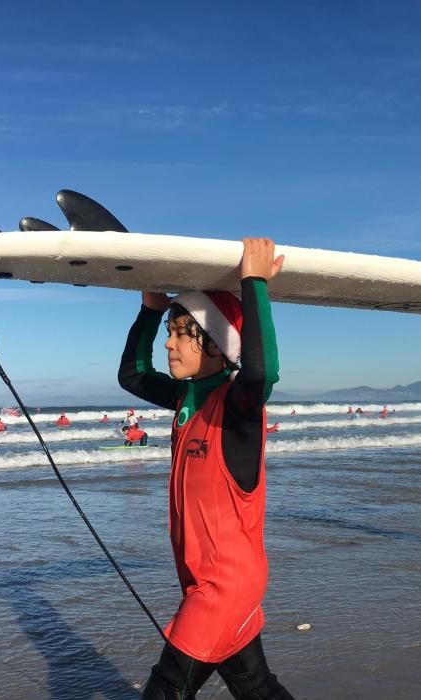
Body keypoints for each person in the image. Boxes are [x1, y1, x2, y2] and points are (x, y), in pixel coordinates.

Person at [118, 238, 293, 699]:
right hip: (204, 580)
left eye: (181, 334)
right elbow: (132, 376)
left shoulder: (237, 406)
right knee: (257, 689)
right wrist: (151, 310)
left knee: (165, 691)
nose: (170, 345)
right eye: (168, 335)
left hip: (223, 586)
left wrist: (253, 284)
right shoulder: (185, 401)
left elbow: (259, 372)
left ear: (218, 345)